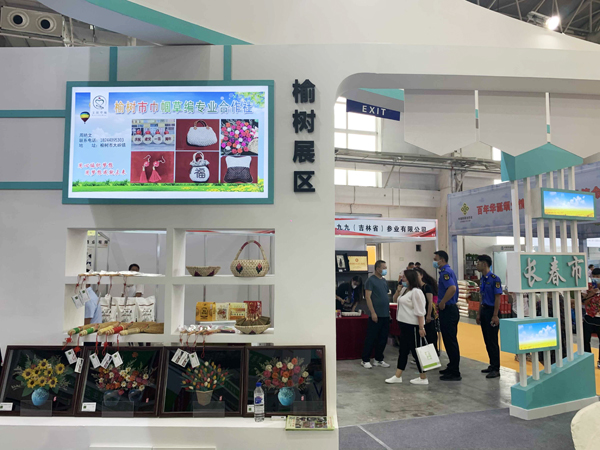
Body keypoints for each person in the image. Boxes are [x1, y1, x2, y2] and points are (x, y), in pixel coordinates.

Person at [385, 270, 428, 385]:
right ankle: (398, 376)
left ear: (410, 278)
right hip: (403, 324)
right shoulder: (404, 290)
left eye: (404, 277)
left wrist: (421, 327)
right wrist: (398, 290)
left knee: (416, 351)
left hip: (412, 326)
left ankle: (423, 377)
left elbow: (420, 311)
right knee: (403, 350)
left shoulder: (416, 292)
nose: (401, 279)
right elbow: (395, 300)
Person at [434, 250, 461, 381]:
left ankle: (455, 371)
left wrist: (443, 302)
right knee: (448, 340)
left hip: (448, 310)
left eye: (436, 259)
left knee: (450, 341)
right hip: (449, 309)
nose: (434, 262)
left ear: (442, 260)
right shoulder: (448, 271)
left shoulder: (445, 272)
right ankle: (451, 366)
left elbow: (452, 288)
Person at [361, 260, 391, 369]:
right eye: (383, 268)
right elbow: (368, 297)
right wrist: (373, 312)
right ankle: (365, 359)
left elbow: (385, 295)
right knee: (371, 337)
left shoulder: (384, 281)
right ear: (377, 269)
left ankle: (378, 359)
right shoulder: (370, 280)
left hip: (385, 314)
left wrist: (388, 312)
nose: (385, 269)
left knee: (383, 338)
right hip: (376, 314)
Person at [476, 255, 502, 379]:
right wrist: (479, 313)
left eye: (478, 263)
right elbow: (481, 297)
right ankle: (492, 364)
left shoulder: (494, 279)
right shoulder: (482, 279)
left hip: (492, 311)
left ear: (485, 264)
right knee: (487, 340)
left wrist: (495, 315)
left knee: (492, 341)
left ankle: (496, 368)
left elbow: (497, 298)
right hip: (484, 311)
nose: (477, 265)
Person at [415, 267, 439, 355]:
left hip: (427, 314)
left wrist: (428, 315)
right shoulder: (416, 288)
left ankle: (434, 353)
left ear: (421, 275)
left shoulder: (427, 287)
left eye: (417, 275)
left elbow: (430, 302)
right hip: (420, 314)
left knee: (430, 335)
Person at [583, 268, 600, 369]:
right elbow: (584, 302)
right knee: (585, 340)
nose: (596, 279)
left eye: (598, 277)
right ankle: (587, 360)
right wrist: (591, 293)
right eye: (594, 277)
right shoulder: (587, 287)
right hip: (588, 317)